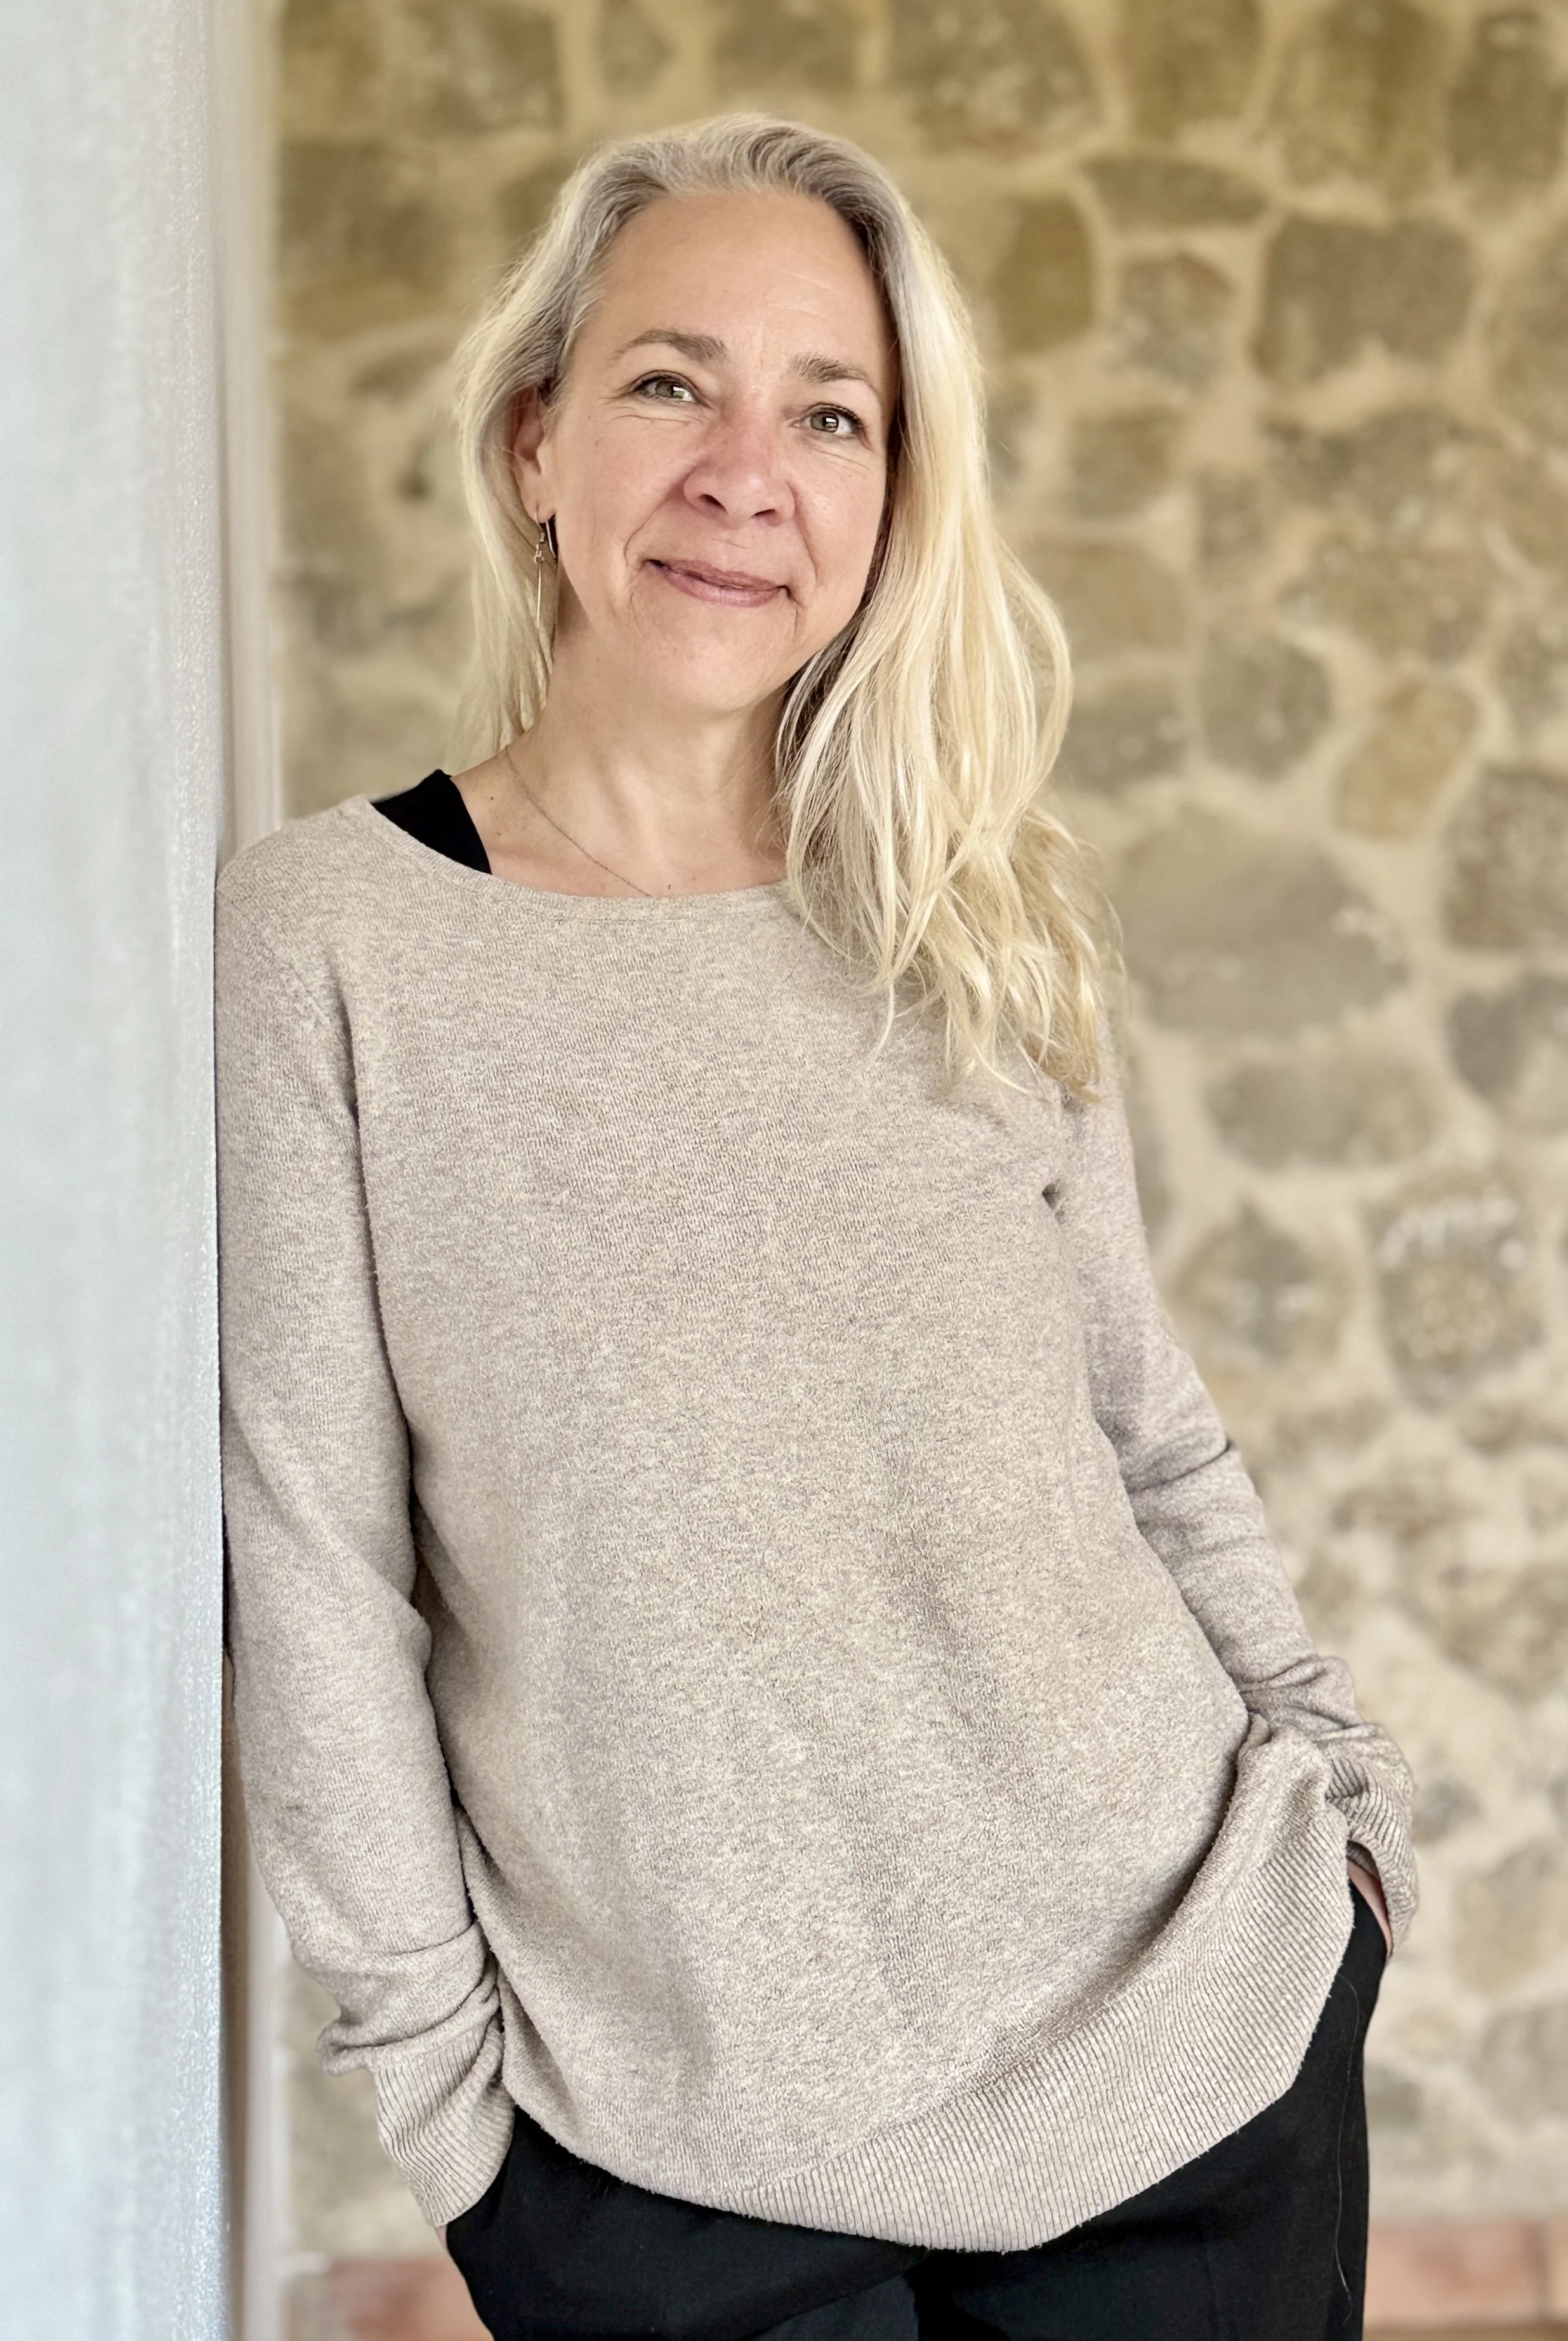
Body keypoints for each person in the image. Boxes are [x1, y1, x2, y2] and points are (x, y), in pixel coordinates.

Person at [216, 114, 1414, 2341]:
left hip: (1186, 2062)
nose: (744, 469)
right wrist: (452, 2118)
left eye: (829, 413)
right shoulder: (332, 942)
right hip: (666, 2164)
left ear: (890, 503)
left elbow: (1144, 1433)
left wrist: (1342, 1828)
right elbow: (312, 1566)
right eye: (672, 382)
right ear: (533, 445)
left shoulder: (979, 921)